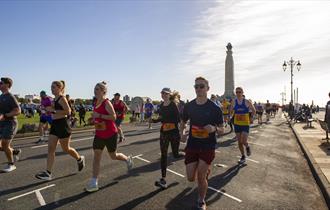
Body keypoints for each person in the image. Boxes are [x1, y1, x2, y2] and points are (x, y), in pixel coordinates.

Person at [180, 77, 224, 210]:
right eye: (196, 86)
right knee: (190, 178)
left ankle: (201, 200)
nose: (198, 89)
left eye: (201, 86)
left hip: (208, 146)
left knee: (200, 176)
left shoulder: (215, 108)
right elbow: (183, 121)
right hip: (192, 145)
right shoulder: (189, 106)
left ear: (207, 88)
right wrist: (181, 133)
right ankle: (205, 171)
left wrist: (214, 129)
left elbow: (222, 129)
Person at [85, 82, 133, 192]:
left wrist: (99, 115)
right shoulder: (96, 102)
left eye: (97, 89)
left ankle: (127, 159)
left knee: (113, 155)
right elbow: (98, 118)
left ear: (103, 91)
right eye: (94, 88)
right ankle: (94, 182)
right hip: (99, 134)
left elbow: (113, 117)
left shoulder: (107, 103)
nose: (95, 90)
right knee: (97, 156)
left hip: (110, 133)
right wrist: (93, 121)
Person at [35, 81, 85, 180]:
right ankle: (48, 173)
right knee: (51, 149)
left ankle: (79, 159)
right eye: (51, 87)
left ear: (60, 88)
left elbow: (68, 111)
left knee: (66, 149)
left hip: (62, 125)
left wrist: (53, 110)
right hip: (55, 125)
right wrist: (46, 110)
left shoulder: (62, 98)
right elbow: (54, 110)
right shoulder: (55, 99)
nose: (51, 89)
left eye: (53, 87)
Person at [151, 88, 183, 189]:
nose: (163, 95)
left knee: (175, 154)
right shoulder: (161, 105)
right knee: (163, 156)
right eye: (162, 93)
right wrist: (155, 120)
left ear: (169, 95)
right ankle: (163, 180)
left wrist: (165, 119)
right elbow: (161, 117)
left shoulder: (173, 104)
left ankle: (187, 155)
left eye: (165, 93)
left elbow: (177, 119)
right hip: (164, 132)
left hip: (173, 133)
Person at [0, 77, 22, 172]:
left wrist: (5, 115)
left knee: (5, 144)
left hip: (10, 123)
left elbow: (18, 111)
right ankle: (14, 151)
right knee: (3, 146)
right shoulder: (1, 96)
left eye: (1, 83)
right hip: (2, 123)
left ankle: (11, 164)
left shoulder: (10, 96)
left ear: (7, 85)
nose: (0, 84)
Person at [230, 87, 256, 164]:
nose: (238, 93)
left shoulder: (247, 102)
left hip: (245, 124)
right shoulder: (234, 102)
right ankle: (243, 156)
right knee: (239, 142)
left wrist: (251, 118)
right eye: (237, 92)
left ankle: (247, 147)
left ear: (242, 93)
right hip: (237, 124)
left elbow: (254, 111)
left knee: (243, 140)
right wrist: (230, 116)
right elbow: (231, 111)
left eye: (239, 92)